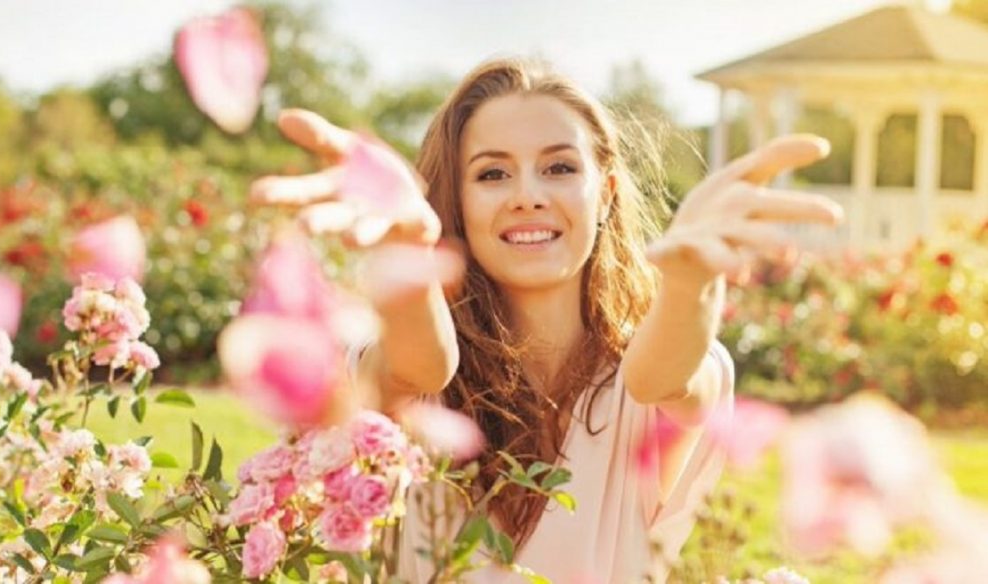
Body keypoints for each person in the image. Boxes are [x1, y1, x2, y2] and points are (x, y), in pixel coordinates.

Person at [251, 57, 842, 582]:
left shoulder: (665, 373)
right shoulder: (402, 376)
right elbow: (422, 366)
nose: (528, 195)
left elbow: (661, 377)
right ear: (454, 200)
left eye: (559, 168)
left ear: (606, 191)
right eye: (491, 173)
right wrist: (409, 260)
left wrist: (689, 284)